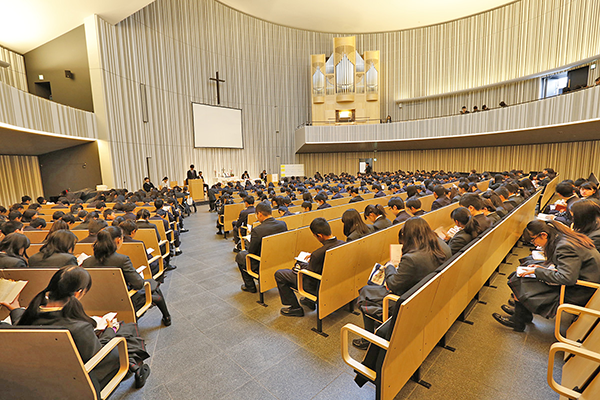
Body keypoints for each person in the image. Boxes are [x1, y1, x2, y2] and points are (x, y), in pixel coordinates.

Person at [14, 266, 151, 392]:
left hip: (43, 379)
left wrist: (15, 310)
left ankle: (134, 365)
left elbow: (18, 320)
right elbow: (99, 355)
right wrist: (110, 330)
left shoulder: (28, 317)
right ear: (79, 293)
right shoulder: (79, 328)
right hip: (83, 381)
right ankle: (133, 365)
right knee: (125, 333)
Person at [354, 217, 452, 349]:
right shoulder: (443, 246)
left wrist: (390, 266)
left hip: (408, 301)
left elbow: (393, 284)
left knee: (365, 292)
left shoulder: (412, 258)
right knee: (370, 290)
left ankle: (369, 338)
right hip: (429, 294)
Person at [493, 220, 600, 332]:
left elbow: (566, 278)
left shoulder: (564, 246)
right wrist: (541, 270)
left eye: (534, 240)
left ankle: (519, 319)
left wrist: (537, 271)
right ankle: (522, 314)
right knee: (527, 271)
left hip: (578, 292)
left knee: (520, 278)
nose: (535, 244)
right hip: (584, 285)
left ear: (544, 235)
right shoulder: (564, 238)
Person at [81, 227, 172, 326]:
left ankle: (164, 312)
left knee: (152, 285)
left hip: (97, 302)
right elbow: (139, 284)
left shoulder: (87, 262)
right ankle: (166, 317)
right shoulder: (122, 260)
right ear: (118, 240)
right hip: (124, 301)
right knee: (151, 284)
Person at [274, 218, 344, 316]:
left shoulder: (318, 254)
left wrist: (302, 265)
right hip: (335, 282)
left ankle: (295, 308)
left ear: (319, 236)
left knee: (280, 274)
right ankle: (309, 302)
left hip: (317, 286)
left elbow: (309, 277)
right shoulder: (343, 244)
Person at [235, 203, 287, 293]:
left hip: (262, 261)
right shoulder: (282, 224)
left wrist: (249, 239)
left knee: (240, 256)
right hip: (279, 258)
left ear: (259, 214)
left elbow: (251, 251)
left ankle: (250, 286)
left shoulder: (258, 230)